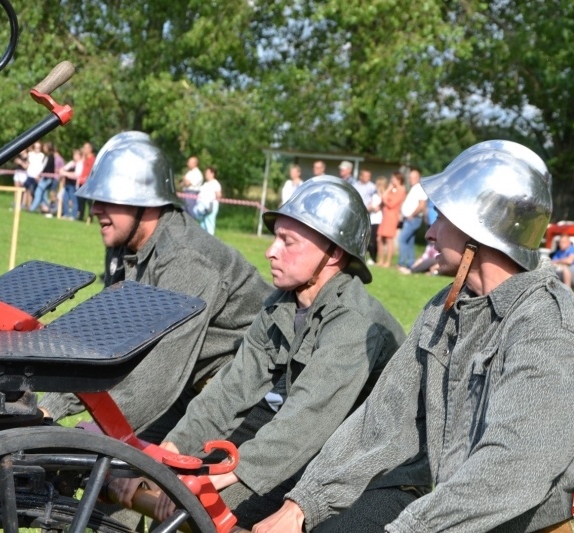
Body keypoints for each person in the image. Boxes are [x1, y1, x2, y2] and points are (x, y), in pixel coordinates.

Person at [256, 140, 574, 533]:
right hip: (476, 515)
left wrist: (410, 529)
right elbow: (383, 418)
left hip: (557, 522)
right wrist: (304, 504)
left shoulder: (547, 325)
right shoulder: (445, 309)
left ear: (478, 230)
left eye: (442, 218)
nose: (430, 232)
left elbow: (512, 467)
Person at [115, 176, 429, 530]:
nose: (271, 250)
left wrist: (205, 481)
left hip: (364, 468)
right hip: (307, 444)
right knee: (167, 492)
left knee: (198, 505)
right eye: (275, 237)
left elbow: (306, 420)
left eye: (288, 241)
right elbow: (228, 392)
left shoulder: (354, 323)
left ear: (334, 253)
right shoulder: (281, 304)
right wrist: (168, 458)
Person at [39, 132, 272, 443]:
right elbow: (107, 335)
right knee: (98, 460)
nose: (94, 210)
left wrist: (99, 434)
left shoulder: (185, 259)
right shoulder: (129, 248)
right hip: (193, 389)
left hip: (251, 407)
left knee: (119, 466)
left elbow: (160, 371)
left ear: (145, 203)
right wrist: (47, 408)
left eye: (107, 199)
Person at [397, 167, 427, 273]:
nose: (410, 179)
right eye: (409, 177)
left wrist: (412, 215)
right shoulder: (414, 188)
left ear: (418, 178)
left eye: (412, 177)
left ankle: (401, 263)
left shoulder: (419, 188)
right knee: (409, 242)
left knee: (402, 240)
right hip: (410, 219)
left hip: (413, 219)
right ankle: (411, 264)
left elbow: (422, 205)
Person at [377, 172, 405, 268]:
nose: (392, 180)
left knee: (389, 239)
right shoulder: (391, 189)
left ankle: (388, 262)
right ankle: (380, 260)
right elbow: (383, 198)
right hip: (385, 216)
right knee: (380, 238)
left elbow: (391, 204)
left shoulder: (401, 190)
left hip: (392, 217)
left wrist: (385, 198)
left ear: (399, 179)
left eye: (393, 178)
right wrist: (388, 189)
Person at [193, 165, 222, 235]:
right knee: (203, 223)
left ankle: (211, 240)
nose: (206, 174)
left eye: (207, 173)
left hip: (211, 205)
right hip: (203, 206)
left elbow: (219, 195)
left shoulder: (215, 183)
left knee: (209, 223)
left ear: (212, 174)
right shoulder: (205, 184)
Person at [59, 148, 83, 220]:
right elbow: (62, 169)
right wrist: (64, 172)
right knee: (65, 198)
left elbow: (76, 175)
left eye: (76, 155)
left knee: (74, 200)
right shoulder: (72, 163)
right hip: (67, 184)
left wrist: (65, 173)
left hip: (74, 185)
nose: (74, 156)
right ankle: (66, 214)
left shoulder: (80, 164)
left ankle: (73, 216)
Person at [76, 141, 96, 221]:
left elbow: (92, 171)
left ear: (89, 149)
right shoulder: (84, 159)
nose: (84, 149)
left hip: (88, 183)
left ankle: (90, 217)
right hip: (81, 182)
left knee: (89, 201)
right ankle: (81, 216)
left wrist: (87, 178)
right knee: (80, 200)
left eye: (85, 148)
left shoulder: (92, 159)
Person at [367, 176, 385, 264]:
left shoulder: (383, 196)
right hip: (371, 219)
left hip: (378, 220)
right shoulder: (374, 195)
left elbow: (380, 207)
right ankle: (372, 257)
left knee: (374, 241)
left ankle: (374, 258)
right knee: (369, 240)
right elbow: (370, 206)